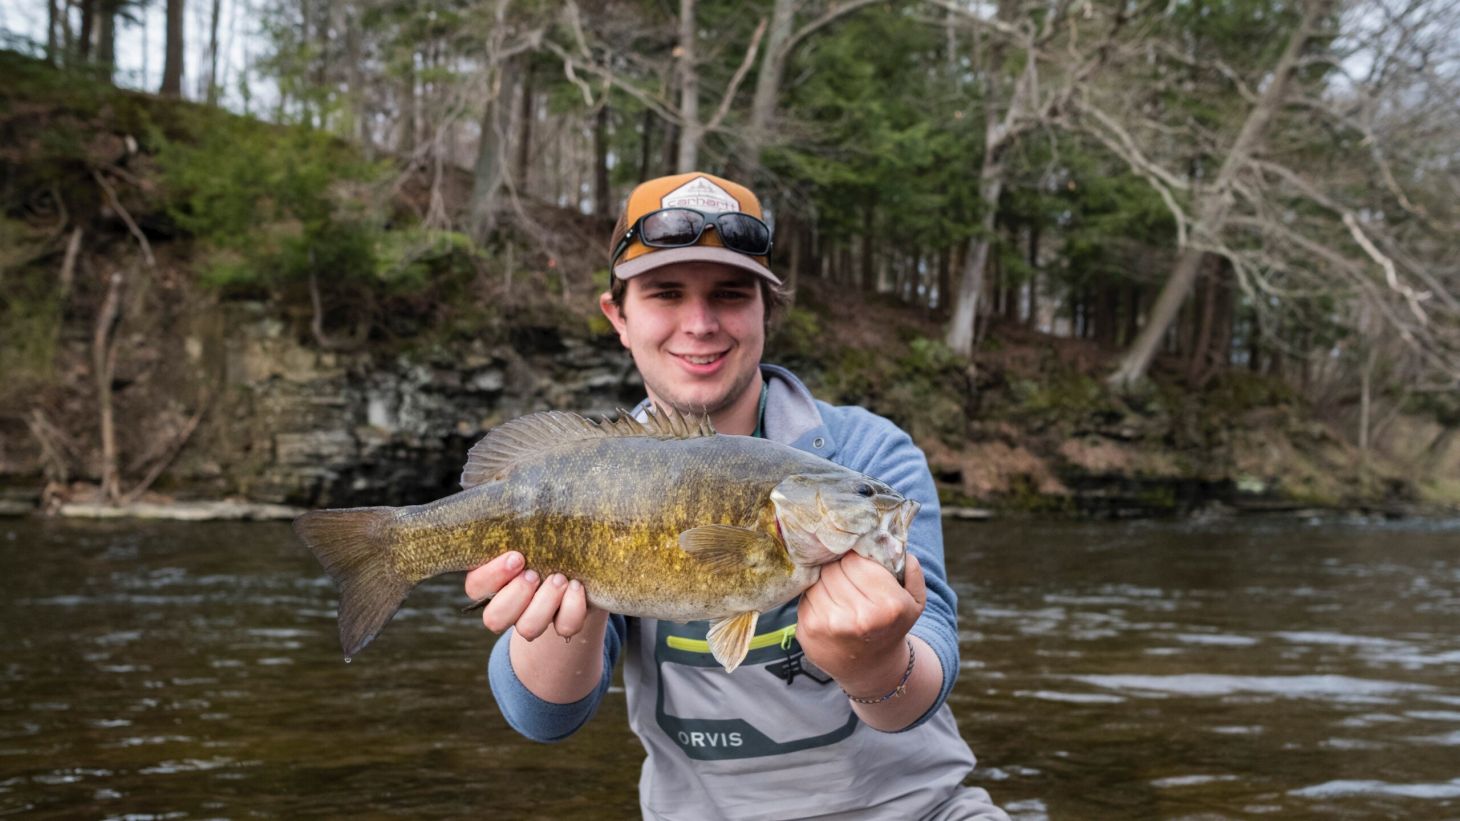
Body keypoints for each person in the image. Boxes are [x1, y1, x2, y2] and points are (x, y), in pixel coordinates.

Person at [464, 172, 1008, 821]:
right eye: (666, 293)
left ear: (765, 310)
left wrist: (873, 664)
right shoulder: (594, 472)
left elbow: (928, 675)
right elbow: (543, 719)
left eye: (730, 294)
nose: (699, 324)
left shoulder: (868, 454)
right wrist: (568, 606)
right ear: (618, 316)